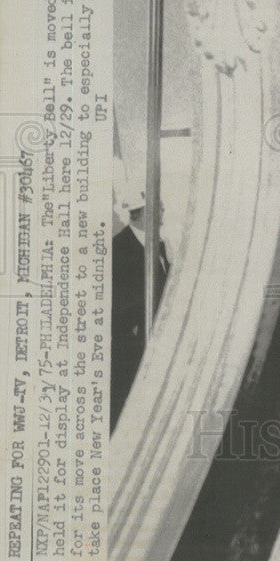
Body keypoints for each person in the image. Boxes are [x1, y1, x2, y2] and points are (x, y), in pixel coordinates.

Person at [111, 181, 169, 431]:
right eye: (160, 209)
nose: (164, 213)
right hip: (133, 350)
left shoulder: (161, 245)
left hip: (158, 343)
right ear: (144, 212)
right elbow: (118, 305)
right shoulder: (118, 248)